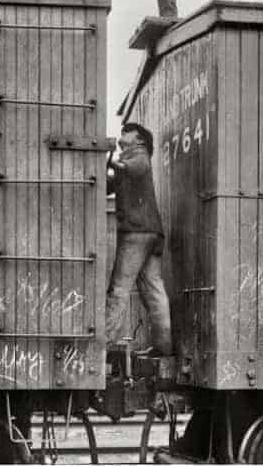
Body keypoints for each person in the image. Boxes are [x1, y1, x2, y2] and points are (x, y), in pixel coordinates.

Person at [106, 122, 171, 355]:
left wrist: (108, 159)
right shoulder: (130, 160)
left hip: (136, 233)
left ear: (139, 139)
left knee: (119, 289)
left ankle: (103, 346)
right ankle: (164, 348)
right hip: (151, 233)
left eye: (127, 131)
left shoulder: (140, 155)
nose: (122, 133)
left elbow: (130, 168)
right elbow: (109, 184)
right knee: (153, 289)